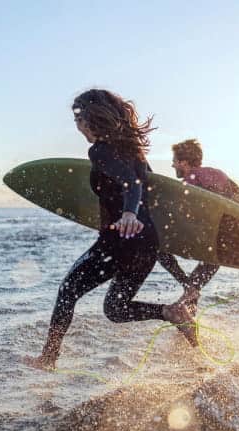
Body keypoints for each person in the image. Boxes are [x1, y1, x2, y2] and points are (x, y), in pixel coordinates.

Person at [24, 89, 196, 371]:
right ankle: (171, 312)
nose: (77, 125)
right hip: (146, 243)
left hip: (120, 240)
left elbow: (131, 184)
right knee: (116, 309)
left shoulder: (100, 150)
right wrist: (179, 274)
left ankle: (48, 358)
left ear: (94, 117)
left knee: (68, 289)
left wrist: (128, 213)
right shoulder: (136, 153)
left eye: (79, 118)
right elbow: (147, 195)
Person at [158, 139, 239, 315]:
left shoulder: (191, 178)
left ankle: (186, 287)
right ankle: (188, 316)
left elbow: (180, 212)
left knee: (155, 246)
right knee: (206, 268)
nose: (172, 165)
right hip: (221, 243)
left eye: (174, 161)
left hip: (203, 236)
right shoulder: (220, 174)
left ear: (184, 162)